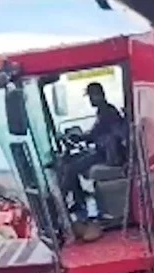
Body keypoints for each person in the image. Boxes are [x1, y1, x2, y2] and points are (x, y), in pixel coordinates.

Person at [60, 82, 127, 241]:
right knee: (71, 163)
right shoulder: (104, 111)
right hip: (103, 150)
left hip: (108, 155)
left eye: (91, 96)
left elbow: (94, 134)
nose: (90, 100)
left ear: (98, 95)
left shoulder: (107, 112)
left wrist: (77, 136)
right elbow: (96, 134)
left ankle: (67, 204)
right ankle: (79, 201)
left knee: (71, 168)